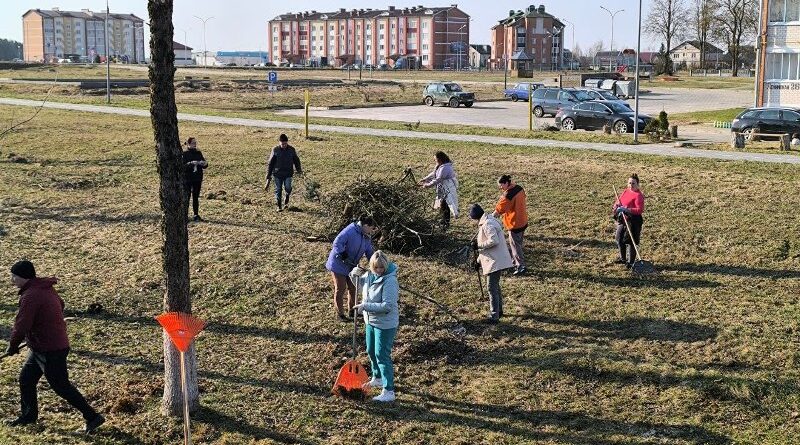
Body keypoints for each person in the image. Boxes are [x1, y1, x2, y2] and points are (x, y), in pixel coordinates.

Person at [5, 261, 105, 434]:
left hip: (50, 349)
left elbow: (21, 325)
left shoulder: (31, 296)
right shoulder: (45, 288)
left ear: (24, 277)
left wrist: (12, 346)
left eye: (14, 276)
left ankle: (92, 417)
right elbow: (61, 304)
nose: (11, 280)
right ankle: (28, 416)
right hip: (42, 346)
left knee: (61, 386)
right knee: (26, 379)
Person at [350, 251, 399, 403]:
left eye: (381, 268)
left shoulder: (390, 281)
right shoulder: (370, 275)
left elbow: (387, 306)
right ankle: (377, 377)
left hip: (385, 324)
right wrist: (353, 274)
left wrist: (365, 306)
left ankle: (389, 390)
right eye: (376, 267)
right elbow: (359, 284)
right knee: (371, 351)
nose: (379, 270)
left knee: (382, 355)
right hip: (370, 321)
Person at [325, 216, 378, 321]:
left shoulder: (366, 236)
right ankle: (340, 314)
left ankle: (352, 311)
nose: (373, 231)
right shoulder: (350, 230)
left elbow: (369, 252)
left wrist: (376, 263)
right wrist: (343, 254)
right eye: (372, 228)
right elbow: (337, 243)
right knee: (340, 289)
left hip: (352, 266)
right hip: (338, 264)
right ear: (365, 226)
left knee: (353, 287)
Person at [469, 204, 514, 323]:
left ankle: (494, 315)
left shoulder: (488, 224)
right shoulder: (488, 221)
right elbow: (487, 248)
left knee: (491, 287)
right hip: (494, 259)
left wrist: (478, 246)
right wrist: (478, 261)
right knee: (495, 286)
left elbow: (493, 241)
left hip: (495, 260)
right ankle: (499, 311)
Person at [492, 175, 529, 276]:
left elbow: (499, 209)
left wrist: (491, 218)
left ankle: (520, 266)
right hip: (523, 220)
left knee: (515, 246)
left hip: (514, 224)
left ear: (506, 183)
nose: (500, 187)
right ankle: (515, 261)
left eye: (501, 185)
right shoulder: (519, 188)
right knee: (518, 243)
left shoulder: (508, 195)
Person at [419, 151, 459, 229]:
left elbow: (438, 179)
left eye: (436, 159)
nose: (435, 161)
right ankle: (442, 221)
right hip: (443, 189)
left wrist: (428, 185)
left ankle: (445, 223)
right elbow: (434, 173)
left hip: (448, 189)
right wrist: (425, 179)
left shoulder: (445, 167)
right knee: (442, 205)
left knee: (446, 205)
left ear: (440, 159)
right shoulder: (440, 165)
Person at [613, 173, 645, 268]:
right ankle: (623, 259)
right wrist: (616, 206)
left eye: (633, 183)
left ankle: (631, 263)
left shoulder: (638, 196)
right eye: (629, 183)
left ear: (637, 184)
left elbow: (640, 210)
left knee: (632, 241)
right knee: (619, 238)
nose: (631, 185)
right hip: (623, 218)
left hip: (634, 220)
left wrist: (627, 209)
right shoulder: (626, 191)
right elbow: (619, 201)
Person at [265, 134, 303, 212]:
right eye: (282, 144)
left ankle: (287, 195)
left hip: (288, 173)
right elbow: (270, 163)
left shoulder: (291, 150)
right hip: (277, 174)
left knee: (288, 187)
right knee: (278, 190)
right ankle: (279, 206)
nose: (284, 145)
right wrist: (268, 175)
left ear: (287, 142)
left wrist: (299, 170)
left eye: (285, 144)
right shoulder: (275, 150)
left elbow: (296, 160)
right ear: (279, 143)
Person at [182, 137, 208, 222]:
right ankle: (184, 216)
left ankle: (196, 215)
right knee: (187, 197)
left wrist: (204, 163)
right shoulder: (184, 154)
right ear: (188, 144)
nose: (195, 144)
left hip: (197, 178)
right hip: (188, 179)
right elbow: (182, 167)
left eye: (195, 142)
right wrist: (191, 163)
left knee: (195, 197)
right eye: (193, 143)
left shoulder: (198, 153)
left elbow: (205, 165)